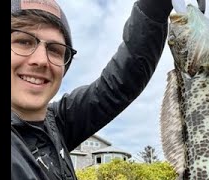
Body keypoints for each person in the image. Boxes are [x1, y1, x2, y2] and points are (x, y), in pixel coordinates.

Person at [11, 0, 173, 179]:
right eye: (23, 41)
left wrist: (155, 6)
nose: (41, 60)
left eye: (55, 50)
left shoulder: (57, 123)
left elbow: (120, 84)